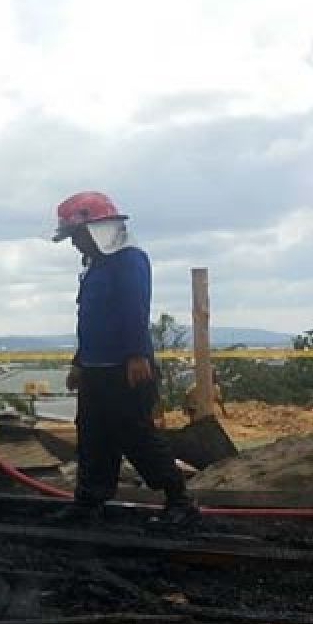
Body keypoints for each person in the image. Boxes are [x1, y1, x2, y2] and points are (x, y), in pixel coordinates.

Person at [50, 192, 198, 527]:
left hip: (126, 368)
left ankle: (179, 499)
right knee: (92, 435)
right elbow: (91, 320)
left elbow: (134, 309)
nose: (75, 245)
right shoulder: (95, 267)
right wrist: (79, 361)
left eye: (77, 236)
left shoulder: (129, 260)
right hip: (96, 369)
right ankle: (89, 501)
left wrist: (135, 354)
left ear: (96, 228)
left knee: (137, 436)